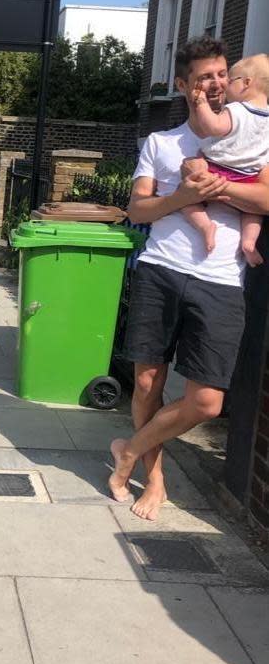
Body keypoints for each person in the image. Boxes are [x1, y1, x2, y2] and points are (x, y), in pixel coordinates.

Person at [109, 37, 269, 520]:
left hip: (221, 281)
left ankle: (129, 451)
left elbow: (267, 200)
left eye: (222, 73)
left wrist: (221, 190)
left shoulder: (257, 134)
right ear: (184, 85)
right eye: (205, 76)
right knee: (147, 383)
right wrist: (182, 197)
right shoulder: (161, 144)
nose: (217, 83)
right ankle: (154, 479)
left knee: (206, 402)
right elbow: (138, 207)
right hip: (161, 269)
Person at [180, 54, 269, 266]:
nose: (225, 86)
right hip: (249, 177)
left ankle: (205, 227)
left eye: (230, 80)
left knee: (186, 197)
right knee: (252, 212)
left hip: (217, 168)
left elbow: (214, 127)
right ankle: (249, 242)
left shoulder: (238, 110)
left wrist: (200, 102)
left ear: (247, 83)